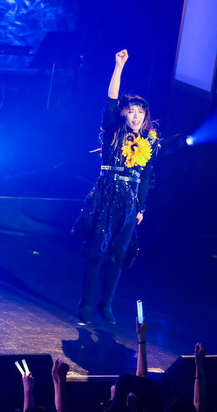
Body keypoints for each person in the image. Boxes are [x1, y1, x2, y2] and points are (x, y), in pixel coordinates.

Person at [73, 49, 159, 325]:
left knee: (118, 255)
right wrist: (118, 67)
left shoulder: (150, 140)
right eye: (131, 111)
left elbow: (145, 177)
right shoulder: (113, 130)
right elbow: (110, 101)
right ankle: (85, 303)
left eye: (140, 111)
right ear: (124, 113)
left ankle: (105, 303)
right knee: (98, 251)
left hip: (130, 200)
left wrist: (141, 207)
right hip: (107, 194)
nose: (136, 115)